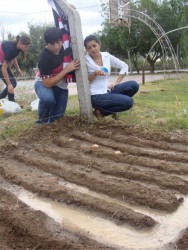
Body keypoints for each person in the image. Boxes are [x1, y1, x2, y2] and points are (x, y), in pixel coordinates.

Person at [84, 34, 139, 120]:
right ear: (86, 49)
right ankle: (101, 112)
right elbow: (84, 83)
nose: (92, 49)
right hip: (96, 95)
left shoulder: (106, 56)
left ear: (99, 44)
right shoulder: (85, 61)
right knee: (128, 102)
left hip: (107, 90)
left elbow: (124, 66)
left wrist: (116, 82)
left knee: (133, 85)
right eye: (89, 48)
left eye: (94, 46)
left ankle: (104, 111)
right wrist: (94, 74)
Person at [35, 27, 80, 124]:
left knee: (58, 118)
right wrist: (67, 69)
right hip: (43, 83)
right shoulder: (44, 57)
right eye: (52, 44)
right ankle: (41, 122)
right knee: (48, 99)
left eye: (58, 42)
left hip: (61, 84)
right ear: (47, 43)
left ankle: (50, 122)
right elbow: (47, 84)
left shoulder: (65, 47)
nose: (56, 47)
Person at [0, 34, 31, 102]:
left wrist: (18, 69)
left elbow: (13, 57)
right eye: (25, 46)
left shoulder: (17, 47)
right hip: (1, 65)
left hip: (2, 64)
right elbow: (3, 68)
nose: (26, 49)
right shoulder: (12, 49)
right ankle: (11, 103)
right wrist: (9, 84)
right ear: (20, 43)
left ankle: (11, 103)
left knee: (13, 83)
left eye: (27, 47)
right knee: (11, 84)